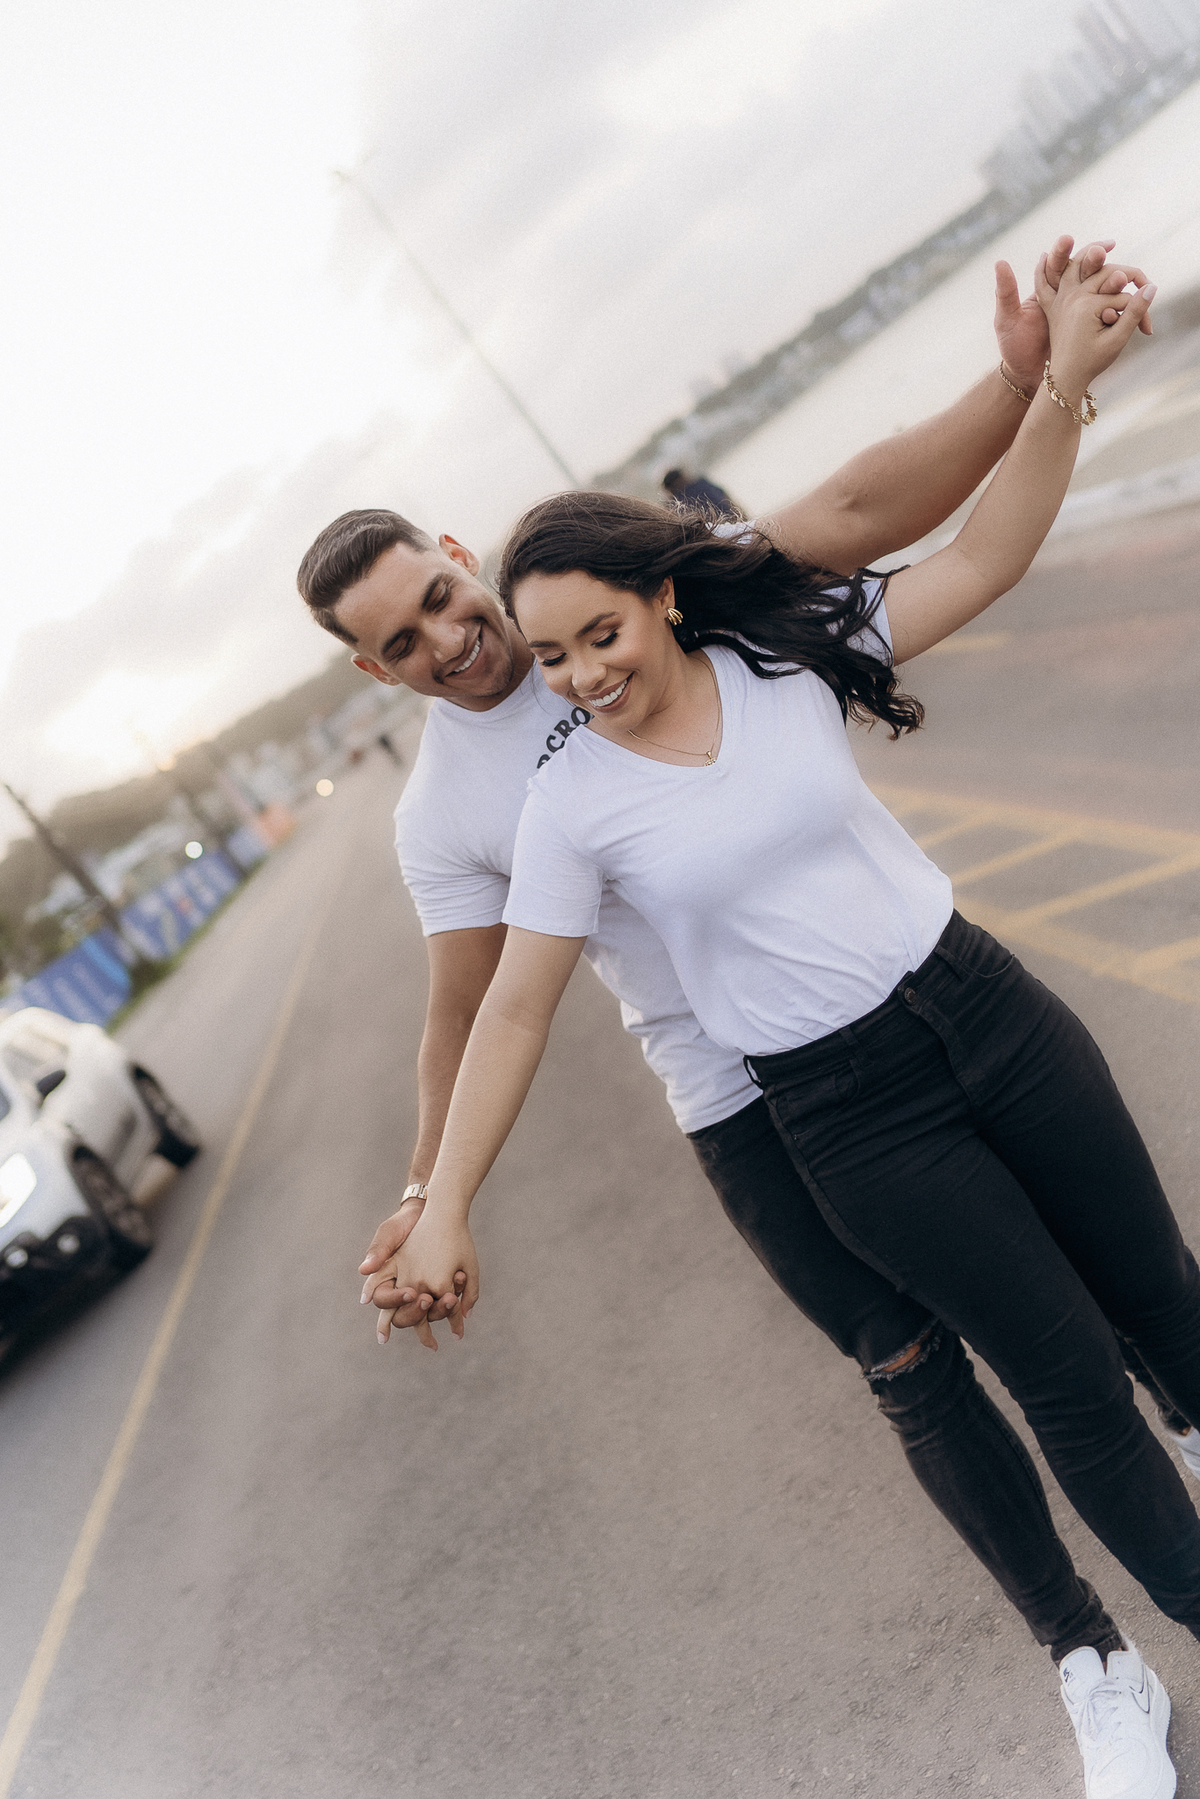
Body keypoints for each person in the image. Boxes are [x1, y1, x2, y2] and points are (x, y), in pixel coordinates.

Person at [353, 257, 1190, 1798]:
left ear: (470, 559)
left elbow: (897, 523)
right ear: (375, 669)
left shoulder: (742, 633)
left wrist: (1039, 376)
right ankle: (1095, 1654)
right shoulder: (506, 804)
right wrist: (433, 1196)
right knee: (947, 1367)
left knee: (1150, 1299)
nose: (468, 646)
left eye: (447, 601)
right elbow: (489, 1010)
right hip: (775, 1093)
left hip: (957, 996)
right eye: (408, 642)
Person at [662, 467, 739, 519]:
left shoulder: (674, 504)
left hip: (716, 537)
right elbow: (727, 499)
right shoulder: (701, 483)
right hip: (734, 520)